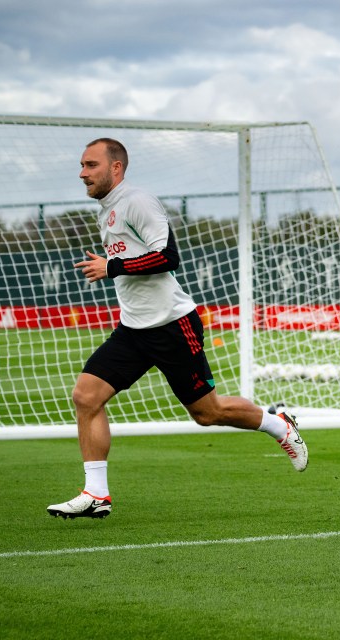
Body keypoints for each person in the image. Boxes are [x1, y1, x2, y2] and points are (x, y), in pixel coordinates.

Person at [46, 138, 308, 520]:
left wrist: (111, 267)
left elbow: (168, 257)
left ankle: (277, 425)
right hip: (133, 330)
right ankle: (96, 494)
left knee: (207, 414)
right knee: (86, 397)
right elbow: (135, 257)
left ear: (116, 168)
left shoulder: (137, 201)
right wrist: (111, 264)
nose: (83, 173)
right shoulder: (107, 211)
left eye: (91, 165)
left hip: (172, 326)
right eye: (82, 165)